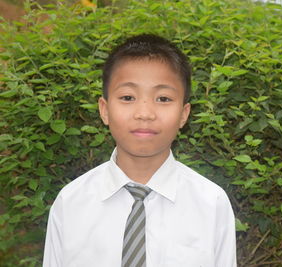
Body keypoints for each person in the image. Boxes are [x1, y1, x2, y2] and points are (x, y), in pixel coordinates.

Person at [43, 34, 237, 267]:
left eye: (163, 98)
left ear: (184, 114)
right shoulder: (71, 203)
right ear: (104, 110)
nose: (145, 113)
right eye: (128, 97)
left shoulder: (211, 203)